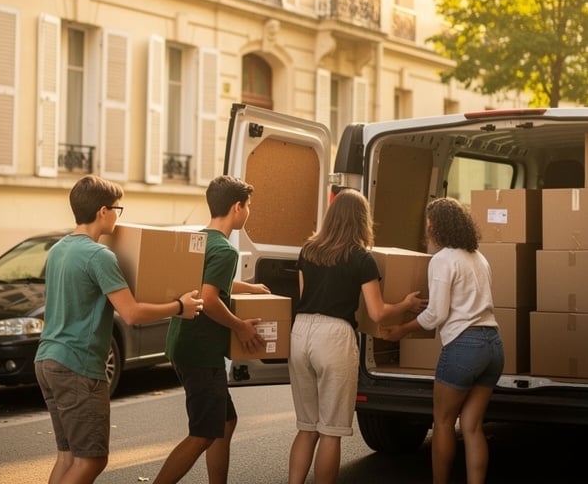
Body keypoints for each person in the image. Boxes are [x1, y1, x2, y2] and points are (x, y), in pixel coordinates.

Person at [34, 175, 203, 484]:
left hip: (48, 359)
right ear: (103, 211)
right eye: (117, 208)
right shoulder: (99, 256)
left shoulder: (58, 249)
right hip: (78, 365)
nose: (118, 215)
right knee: (93, 459)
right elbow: (132, 314)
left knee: (68, 455)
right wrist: (180, 307)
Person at [287, 189, 426, 484]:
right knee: (331, 430)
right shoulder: (361, 258)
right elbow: (376, 313)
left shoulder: (307, 251)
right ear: (362, 220)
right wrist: (406, 304)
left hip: (300, 331)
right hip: (334, 336)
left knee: (306, 426)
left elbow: (305, 296)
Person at [153, 175, 270, 484]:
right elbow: (208, 298)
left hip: (182, 342)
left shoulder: (200, 240)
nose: (249, 212)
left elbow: (207, 282)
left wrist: (250, 287)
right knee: (203, 434)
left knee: (226, 421)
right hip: (202, 351)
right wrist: (240, 326)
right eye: (249, 206)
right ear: (237, 207)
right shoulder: (226, 250)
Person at [385, 197, 503, 484]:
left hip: (464, 347)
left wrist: (401, 330)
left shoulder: (442, 260)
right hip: (493, 346)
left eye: (429, 226)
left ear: (440, 227)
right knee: (473, 427)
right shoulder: (479, 257)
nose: (428, 231)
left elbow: (435, 314)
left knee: (443, 423)